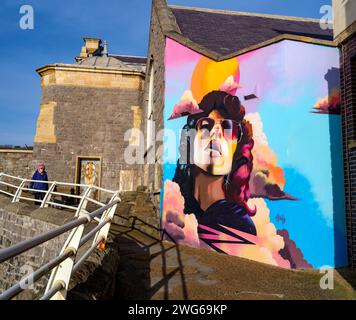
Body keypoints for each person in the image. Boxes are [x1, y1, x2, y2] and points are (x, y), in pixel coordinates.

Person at [163, 90, 257, 251]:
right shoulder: (179, 205)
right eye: (206, 126)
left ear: (237, 150)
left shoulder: (238, 223)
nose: (216, 133)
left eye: (228, 129)